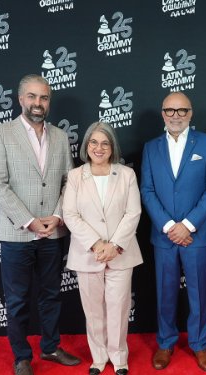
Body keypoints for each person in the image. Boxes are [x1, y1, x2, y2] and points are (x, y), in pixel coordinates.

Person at [0, 74, 80, 375]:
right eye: (32, 97)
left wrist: (57, 216)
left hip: (53, 231)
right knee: (16, 300)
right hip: (16, 233)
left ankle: (50, 347)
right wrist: (29, 221)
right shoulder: (0, 133)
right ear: (20, 98)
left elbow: (70, 182)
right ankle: (22, 356)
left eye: (44, 98)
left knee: (51, 294)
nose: (38, 103)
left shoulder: (61, 136)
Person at [140, 92, 206, 372]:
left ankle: (200, 345)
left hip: (197, 233)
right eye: (170, 110)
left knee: (199, 293)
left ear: (190, 113)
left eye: (182, 110)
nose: (176, 115)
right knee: (165, 292)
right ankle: (165, 342)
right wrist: (168, 226)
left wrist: (186, 225)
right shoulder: (151, 148)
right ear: (163, 114)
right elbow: (147, 190)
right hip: (164, 235)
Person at [63, 122, 143, 375]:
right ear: (87, 146)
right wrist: (98, 244)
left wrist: (115, 245)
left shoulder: (126, 174)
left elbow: (133, 212)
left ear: (112, 147)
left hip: (121, 253)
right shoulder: (76, 176)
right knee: (93, 310)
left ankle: (119, 358)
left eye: (105, 143)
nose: (99, 148)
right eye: (94, 143)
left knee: (118, 308)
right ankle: (98, 358)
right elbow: (70, 214)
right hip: (88, 254)